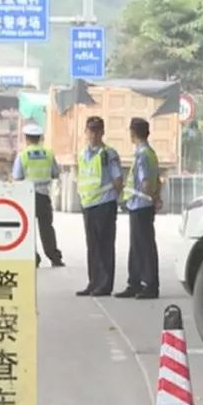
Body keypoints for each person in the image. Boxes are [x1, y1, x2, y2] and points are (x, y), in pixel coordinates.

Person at [115, 118, 162, 299]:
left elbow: (145, 182)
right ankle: (134, 283)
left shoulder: (142, 155)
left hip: (141, 205)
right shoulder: (151, 153)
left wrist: (152, 197)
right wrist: (156, 197)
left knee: (144, 246)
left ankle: (149, 285)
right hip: (141, 205)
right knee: (137, 246)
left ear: (133, 133)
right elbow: (158, 180)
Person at [76, 116, 123, 296]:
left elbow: (118, 180)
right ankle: (93, 282)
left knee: (105, 246)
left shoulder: (109, 154)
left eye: (97, 131)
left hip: (104, 204)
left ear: (102, 132)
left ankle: (104, 285)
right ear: (85, 132)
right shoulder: (83, 154)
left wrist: (113, 200)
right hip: (88, 205)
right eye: (91, 131)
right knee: (92, 246)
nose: (93, 135)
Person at [12, 123, 64, 268]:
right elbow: (55, 173)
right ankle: (55, 258)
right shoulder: (48, 154)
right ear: (40, 138)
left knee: (28, 229)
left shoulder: (22, 155)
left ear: (26, 138)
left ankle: (33, 258)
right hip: (43, 195)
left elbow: (17, 177)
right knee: (47, 228)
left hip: (27, 196)